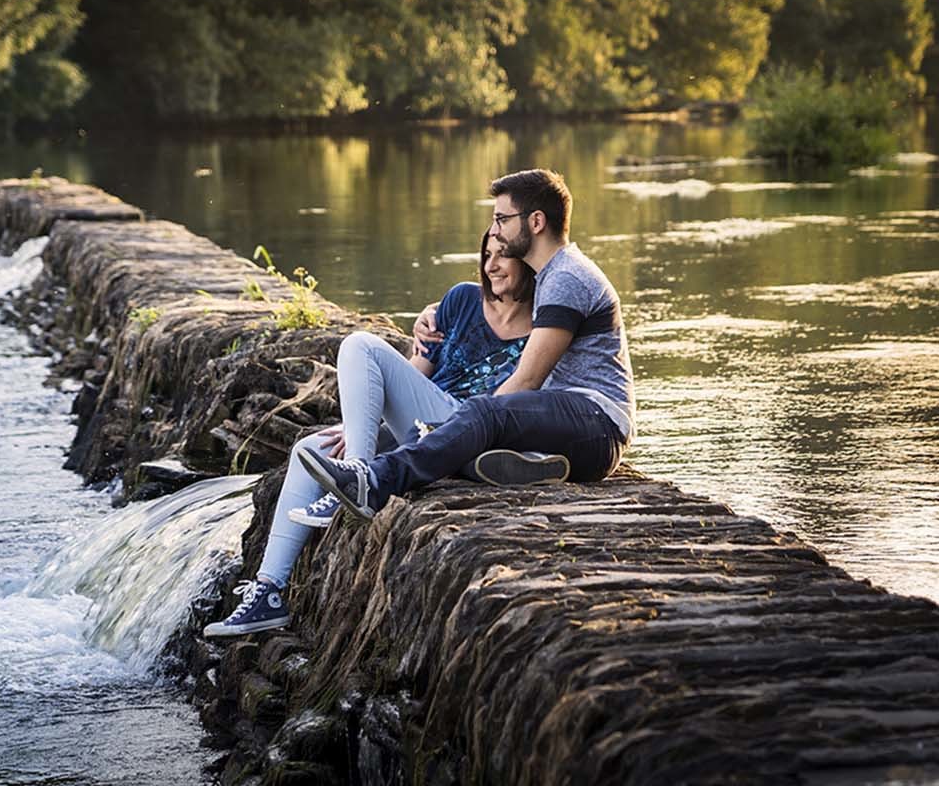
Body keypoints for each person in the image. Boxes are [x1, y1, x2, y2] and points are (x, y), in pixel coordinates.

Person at [203, 233, 565, 637]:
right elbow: (412, 376)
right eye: (486, 256)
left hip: (469, 429)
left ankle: (358, 475)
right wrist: (360, 422)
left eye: (504, 257)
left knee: (360, 342)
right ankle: (269, 592)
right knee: (311, 447)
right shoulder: (461, 301)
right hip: (424, 421)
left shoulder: (545, 332)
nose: (491, 266)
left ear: (528, 264)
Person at [299, 168, 634, 521]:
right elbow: (497, 307)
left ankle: (374, 482)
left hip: (597, 421)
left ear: (536, 222)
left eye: (502, 219)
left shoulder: (566, 277)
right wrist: (436, 312)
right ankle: (530, 465)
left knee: (480, 413)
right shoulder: (551, 277)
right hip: (567, 423)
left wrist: (457, 427)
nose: (496, 231)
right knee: (474, 432)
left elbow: (526, 382)